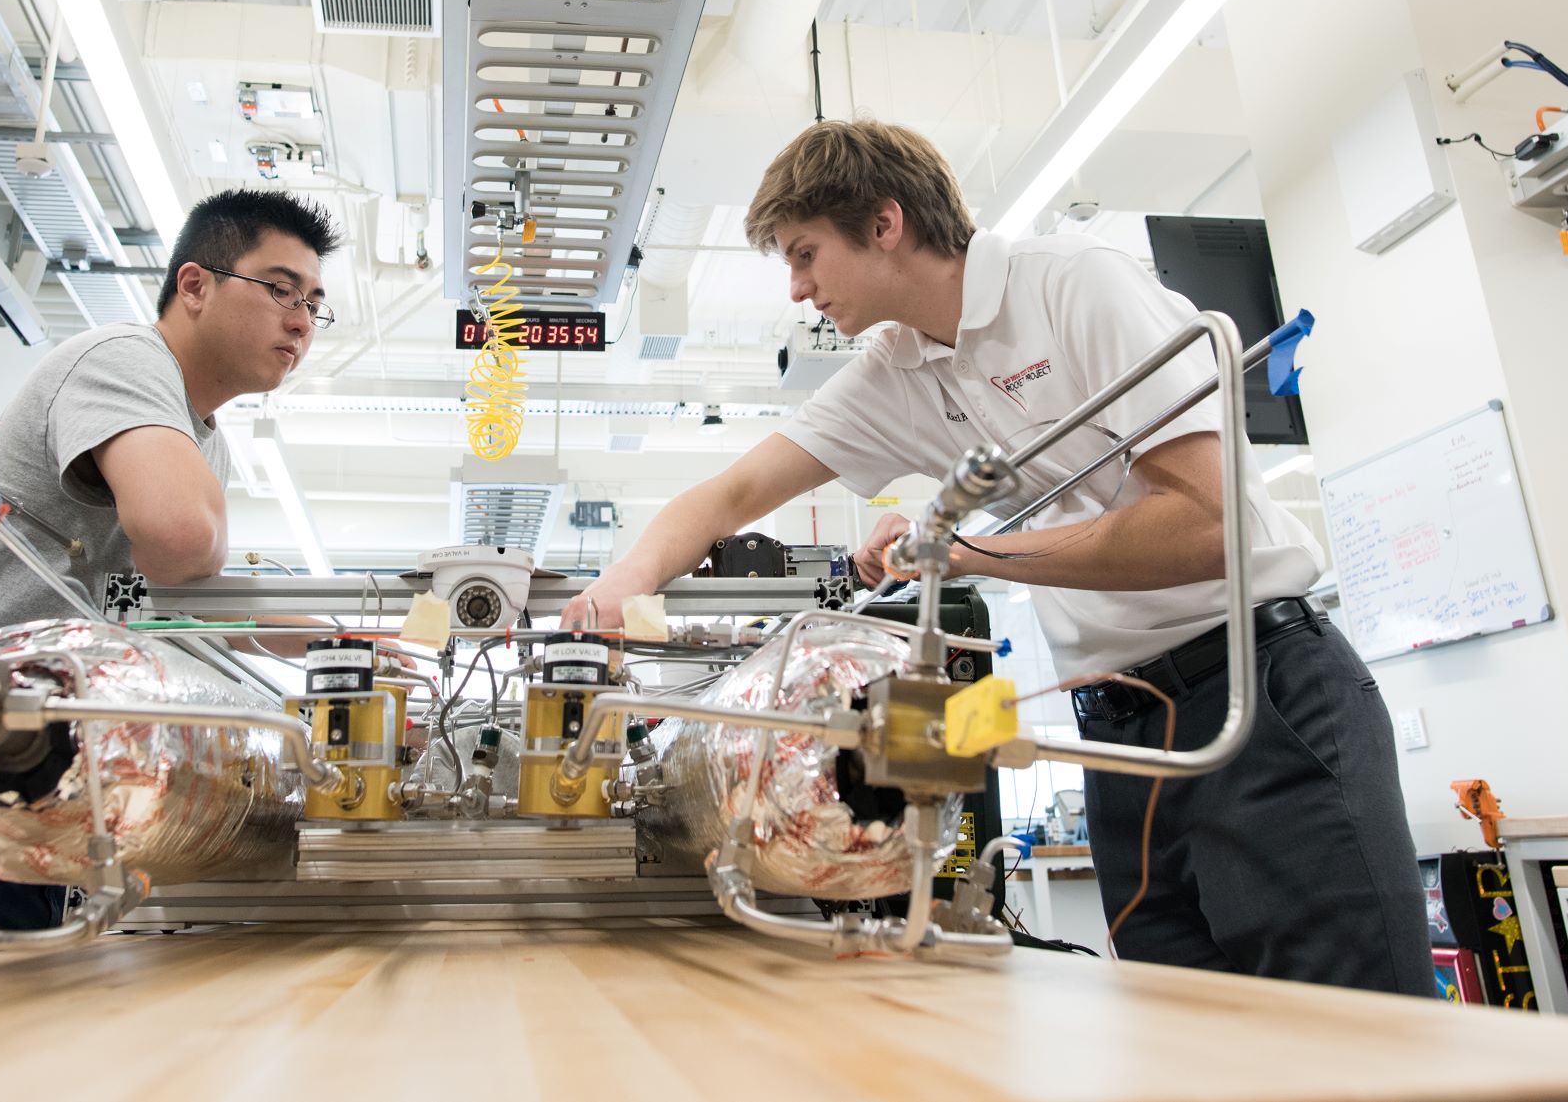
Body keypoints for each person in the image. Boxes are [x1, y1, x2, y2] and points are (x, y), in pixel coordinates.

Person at [565, 120, 1430, 995]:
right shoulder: (899, 368)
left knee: (1357, 1035)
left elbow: (1206, 525)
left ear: (885, 223)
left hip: (1257, 695)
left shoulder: (1073, 288)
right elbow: (732, 495)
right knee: (1198, 1043)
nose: (797, 288)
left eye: (804, 253)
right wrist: (616, 587)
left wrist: (965, 550)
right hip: (1120, 732)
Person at [0, 189, 339, 985]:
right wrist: (225, 562)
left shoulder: (193, 433)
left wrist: (344, 638)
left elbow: (149, 602)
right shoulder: (125, 362)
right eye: (281, 288)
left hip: (16, 801)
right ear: (195, 285)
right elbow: (181, 542)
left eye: (314, 302)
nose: (301, 320)